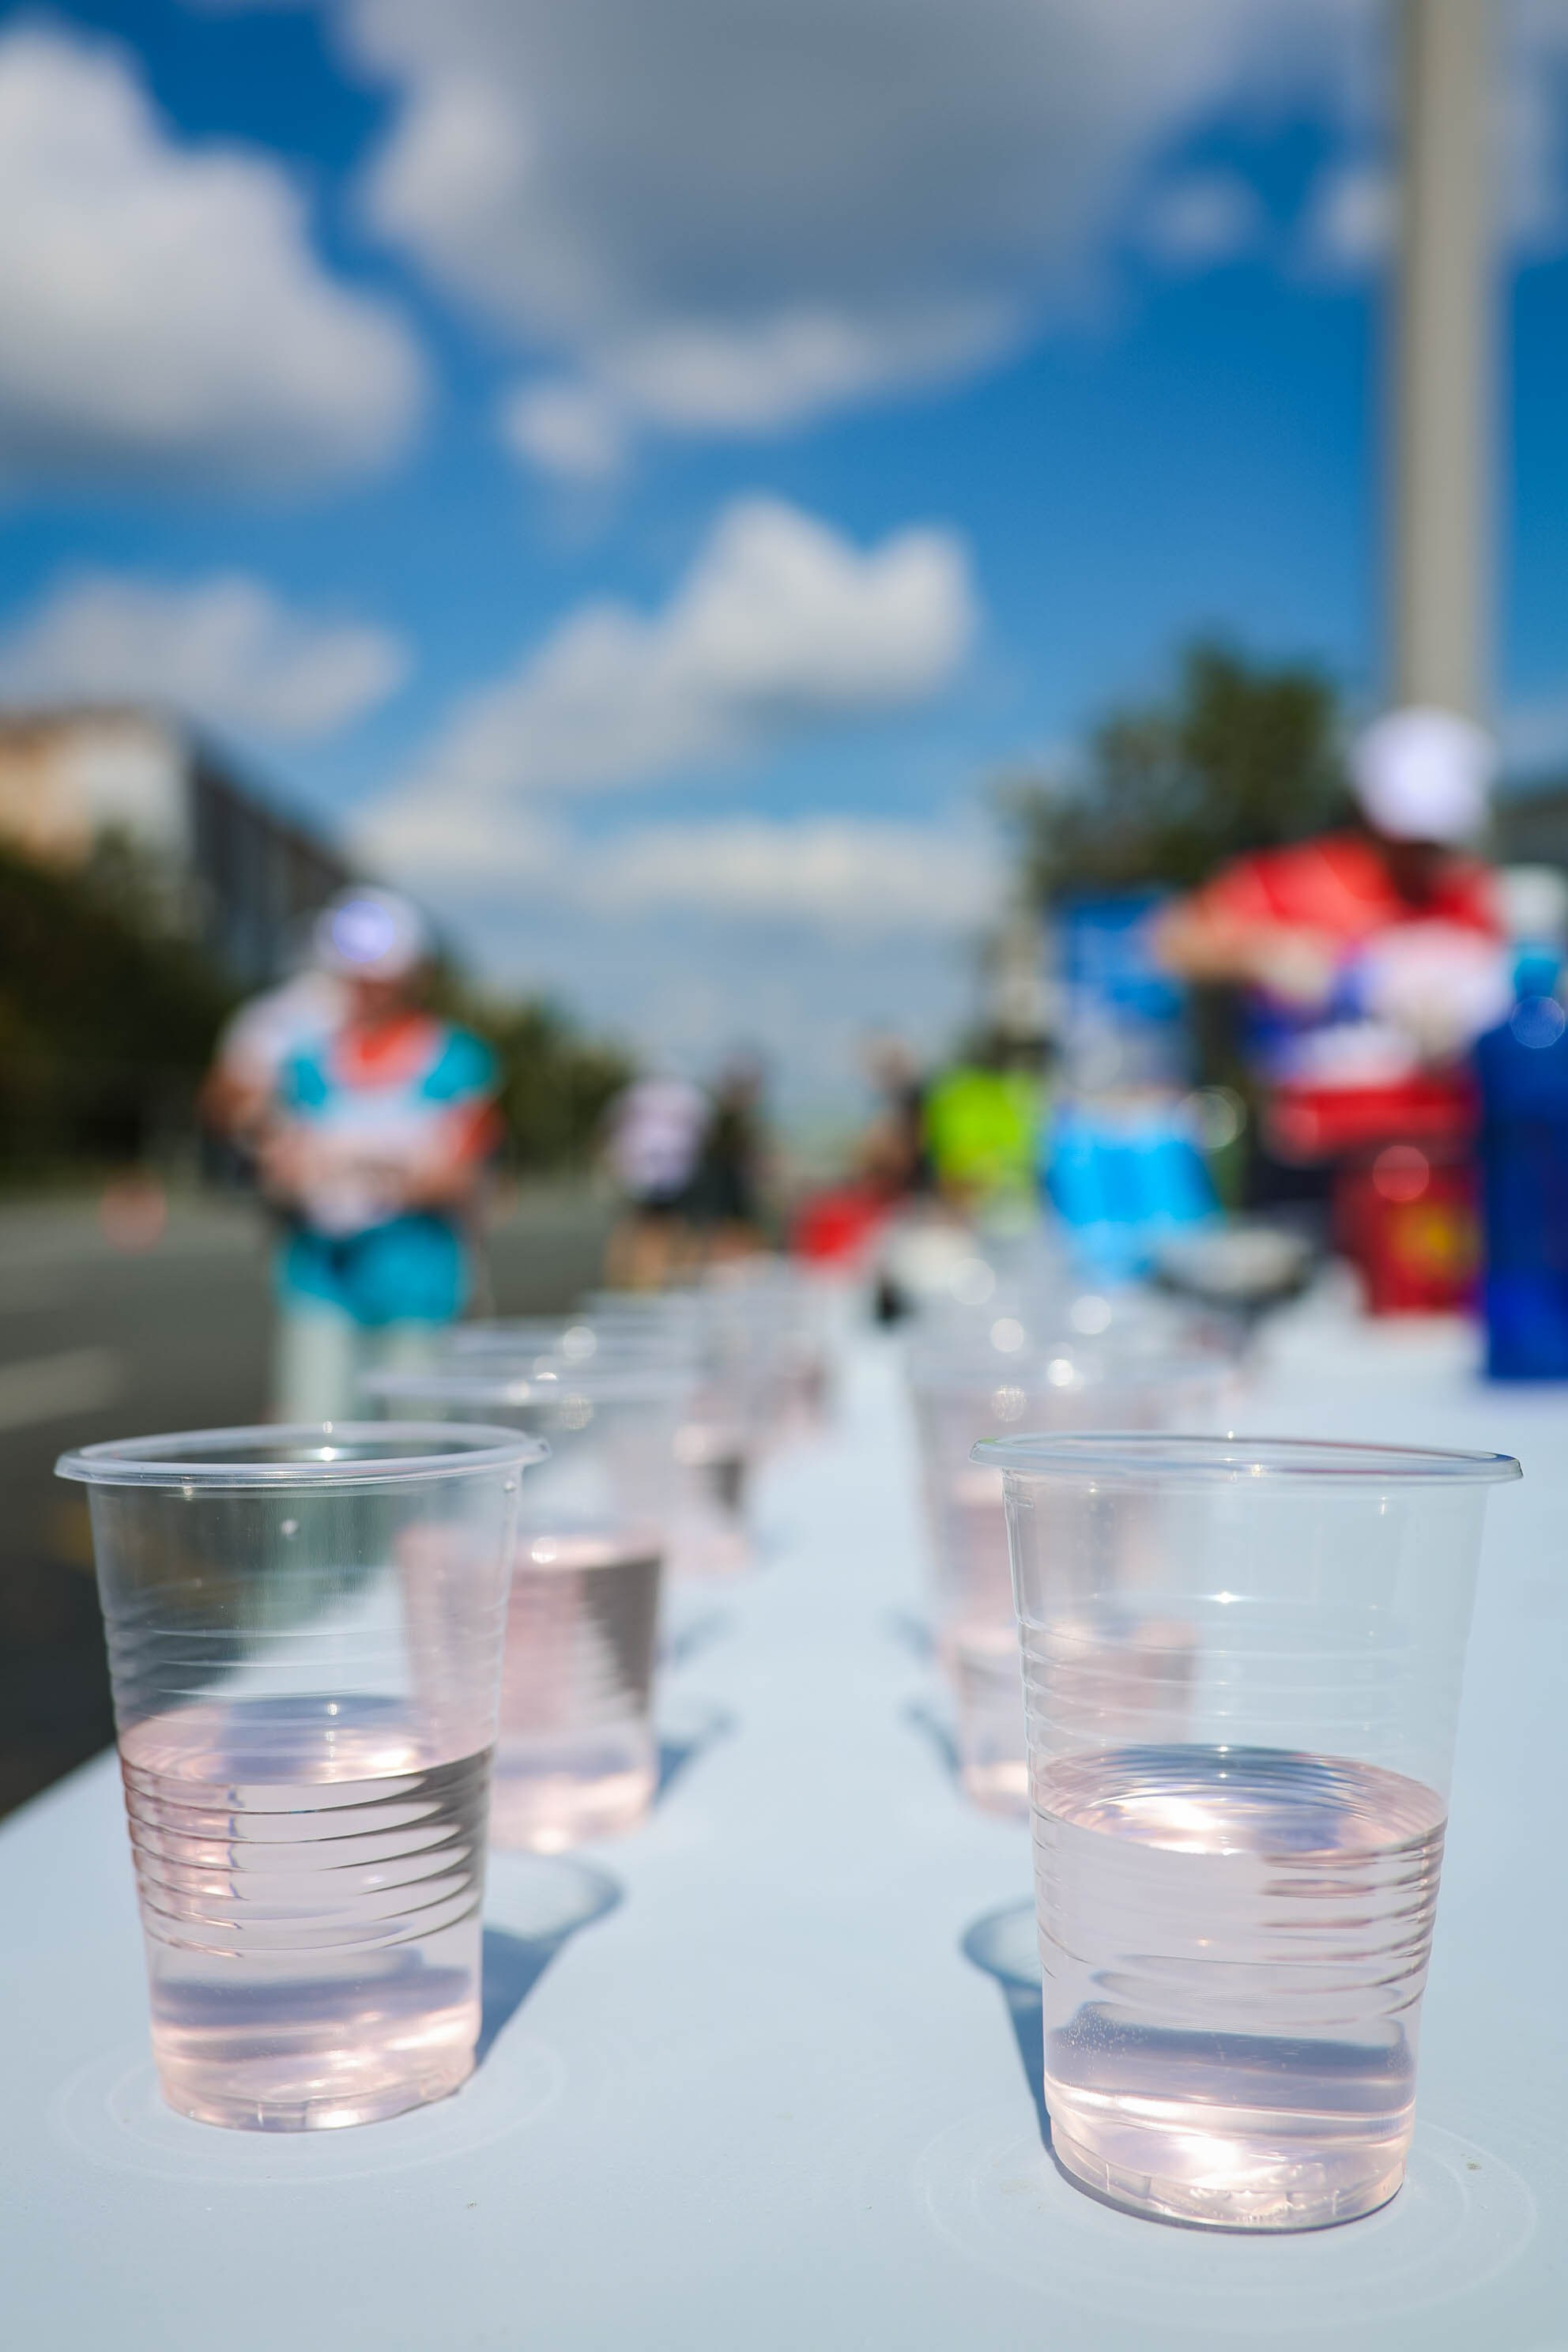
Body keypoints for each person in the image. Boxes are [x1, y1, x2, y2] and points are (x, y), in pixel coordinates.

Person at [1154, 706, 1509, 1206]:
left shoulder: (1465, 895)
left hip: (1437, 1154)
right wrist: (1264, 954)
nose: (1424, 851)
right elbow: (1170, 940)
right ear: (1369, 812)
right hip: (1308, 1160)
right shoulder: (1291, 883)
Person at [251, 888, 500, 1421]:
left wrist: (360, 1175)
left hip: (421, 1290)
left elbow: (464, 1176)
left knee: (415, 1461)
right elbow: (277, 1166)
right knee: (313, 1455)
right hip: (321, 1282)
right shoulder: (305, 1061)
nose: (366, 987)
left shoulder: (458, 1059)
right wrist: (291, 1177)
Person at [600, 1069, 710, 1290]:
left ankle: (643, 1278)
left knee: (651, 1227)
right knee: (652, 1228)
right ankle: (638, 1279)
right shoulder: (686, 1097)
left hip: (653, 1172)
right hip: (655, 1173)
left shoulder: (636, 1095)